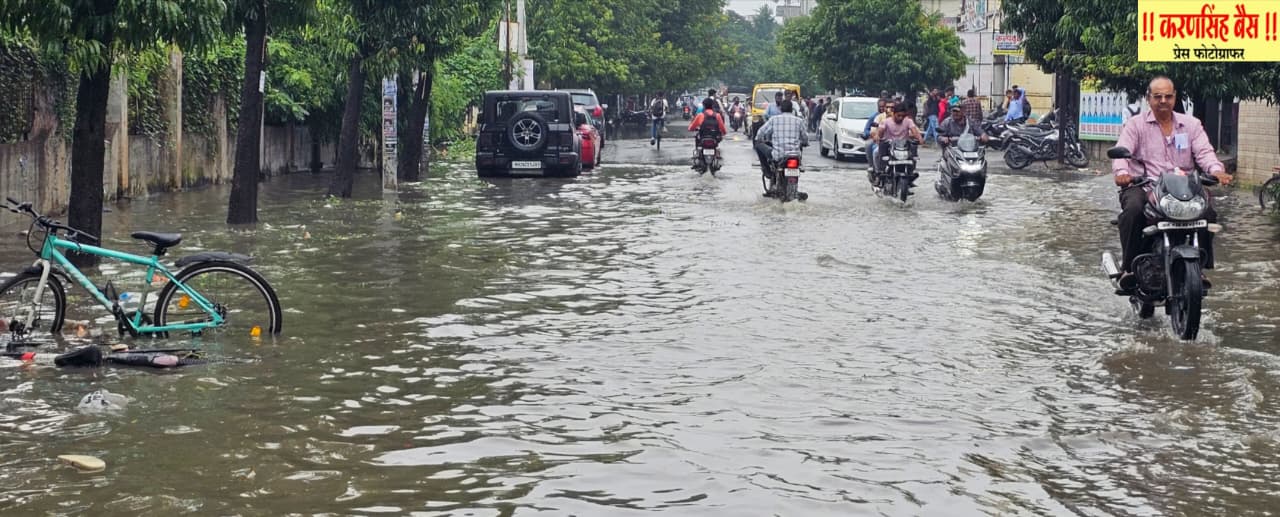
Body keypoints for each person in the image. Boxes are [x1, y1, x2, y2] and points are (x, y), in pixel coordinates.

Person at [1112, 76, 1231, 289]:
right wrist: (1122, 173)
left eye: (1168, 96)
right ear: (1149, 99)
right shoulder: (1135, 125)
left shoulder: (1191, 125)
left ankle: (1200, 268)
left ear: (1175, 98)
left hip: (1183, 188)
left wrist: (1216, 171)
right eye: (1158, 96)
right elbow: (1123, 152)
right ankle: (1129, 268)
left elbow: (1204, 152)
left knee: (1208, 213)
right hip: (1145, 185)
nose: (1163, 101)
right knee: (1133, 210)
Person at [754, 99, 808, 195]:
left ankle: (767, 172)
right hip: (795, 156)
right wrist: (804, 142)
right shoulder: (799, 121)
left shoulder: (774, 120)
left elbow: (760, 133)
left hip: (778, 155)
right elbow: (805, 137)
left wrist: (759, 138)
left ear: (780, 109)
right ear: (792, 109)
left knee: (758, 145)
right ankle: (794, 190)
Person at [870, 102, 923, 183]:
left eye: (903, 116)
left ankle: (910, 173)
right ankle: (879, 173)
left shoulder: (908, 121)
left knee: (913, 153)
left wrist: (920, 139)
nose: (901, 118)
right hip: (888, 146)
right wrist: (878, 136)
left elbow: (915, 131)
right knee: (876, 153)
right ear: (894, 113)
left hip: (904, 146)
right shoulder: (886, 121)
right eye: (899, 115)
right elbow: (880, 132)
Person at [688, 97, 727, 164]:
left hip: (703, 138)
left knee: (697, 138)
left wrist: (694, 129)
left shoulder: (700, 115)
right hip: (714, 139)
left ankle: (698, 155)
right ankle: (716, 154)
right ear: (712, 106)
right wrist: (722, 133)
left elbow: (691, 128)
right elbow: (723, 130)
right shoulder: (717, 116)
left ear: (704, 106)